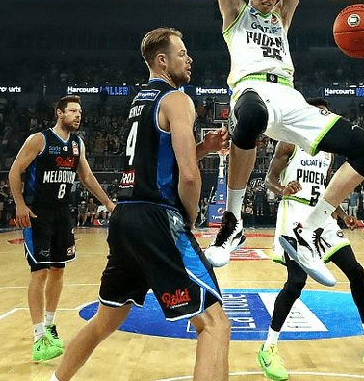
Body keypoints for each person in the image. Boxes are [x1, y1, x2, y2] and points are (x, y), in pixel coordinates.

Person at [204, 0, 364, 287]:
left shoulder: (282, 17)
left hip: (290, 97)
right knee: (250, 116)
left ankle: (310, 230)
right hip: (252, 89)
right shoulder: (235, 12)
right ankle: (233, 222)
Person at [52, 28, 230, 381]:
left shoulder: (140, 102)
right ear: (162, 60)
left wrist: (204, 147)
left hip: (126, 216)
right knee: (214, 323)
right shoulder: (177, 100)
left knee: (105, 320)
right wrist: (187, 219)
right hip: (158, 218)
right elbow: (189, 177)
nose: (190, 59)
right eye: (182, 53)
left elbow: (159, 163)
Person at [259, 98, 364, 381]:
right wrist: (282, 188)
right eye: (320, 113)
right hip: (294, 212)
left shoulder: (328, 153)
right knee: (296, 282)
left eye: (327, 114)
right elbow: (269, 180)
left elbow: (329, 191)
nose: (324, 118)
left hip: (321, 216)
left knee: (356, 271)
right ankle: (268, 349)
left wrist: (342, 214)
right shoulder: (288, 142)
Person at [8, 95, 116, 363]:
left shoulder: (77, 144)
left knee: (58, 270)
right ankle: (37, 338)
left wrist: (109, 204)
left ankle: (50, 325)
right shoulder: (39, 140)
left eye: (80, 112)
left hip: (62, 214)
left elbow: (87, 177)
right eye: (73, 111)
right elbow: (14, 171)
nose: (78, 115)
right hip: (38, 214)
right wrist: (20, 204)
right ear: (59, 113)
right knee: (40, 271)